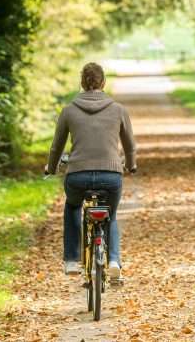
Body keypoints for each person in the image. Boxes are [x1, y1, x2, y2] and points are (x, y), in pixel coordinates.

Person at [44, 62, 137, 280]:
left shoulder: (68, 111)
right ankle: (113, 260)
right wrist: (131, 165)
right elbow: (130, 145)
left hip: (78, 175)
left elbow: (57, 146)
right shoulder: (118, 110)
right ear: (103, 82)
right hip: (110, 175)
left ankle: (71, 260)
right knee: (111, 215)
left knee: (73, 207)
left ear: (82, 83)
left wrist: (51, 167)